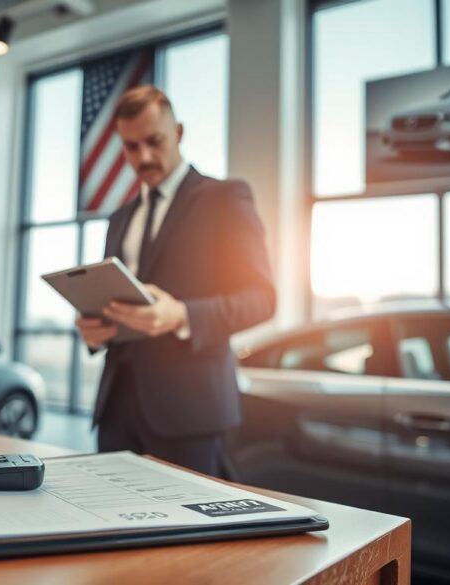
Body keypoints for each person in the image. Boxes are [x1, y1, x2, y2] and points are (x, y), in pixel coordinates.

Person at [76, 85, 276, 476]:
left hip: (190, 413)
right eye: (131, 147)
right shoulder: (120, 218)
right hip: (116, 408)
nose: (144, 157)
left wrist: (181, 315)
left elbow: (262, 298)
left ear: (179, 133)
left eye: (154, 141)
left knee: (189, 536)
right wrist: (95, 330)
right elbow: (119, 301)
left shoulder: (225, 198)